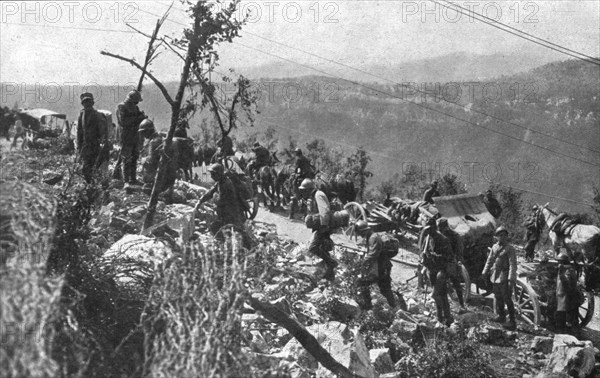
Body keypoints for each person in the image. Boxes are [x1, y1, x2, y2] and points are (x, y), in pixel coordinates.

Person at [354, 220, 399, 310]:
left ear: (363, 231)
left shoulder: (373, 238)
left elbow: (373, 255)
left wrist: (362, 263)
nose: (360, 235)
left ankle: (369, 306)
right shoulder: (372, 236)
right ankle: (393, 307)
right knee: (384, 288)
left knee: (363, 283)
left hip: (381, 267)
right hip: (381, 266)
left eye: (360, 233)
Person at [299, 178, 338, 281]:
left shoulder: (318, 195)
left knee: (312, 247)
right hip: (321, 226)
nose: (303, 192)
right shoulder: (313, 196)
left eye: (304, 190)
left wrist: (324, 226)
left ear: (309, 189)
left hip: (324, 227)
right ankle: (330, 274)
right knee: (323, 247)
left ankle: (332, 263)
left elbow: (324, 210)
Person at [481, 226, 517, 331]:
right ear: (497, 237)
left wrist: (511, 279)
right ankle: (501, 316)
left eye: (504, 235)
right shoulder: (494, 247)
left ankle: (512, 321)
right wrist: (485, 271)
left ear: (507, 236)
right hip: (495, 275)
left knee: (507, 298)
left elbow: (512, 264)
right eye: (500, 235)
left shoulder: (510, 248)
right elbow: (489, 260)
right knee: (498, 296)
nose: (502, 237)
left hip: (504, 275)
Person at [421, 219, 455, 327]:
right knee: (441, 295)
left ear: (434, 228)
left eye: (430, 229)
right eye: (427, 230)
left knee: (437, 294)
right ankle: (443, 317)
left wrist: (434, 256)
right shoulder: (428, 238)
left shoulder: (443, 240)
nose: (428, 232)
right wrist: (424, 260)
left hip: (442, 270)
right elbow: (423, 252)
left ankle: (445, 317)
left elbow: (448, 257)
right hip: (432, 270)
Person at [198, 163, 245, 236]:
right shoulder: (220, 182)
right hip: (225, 213)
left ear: (218, 174)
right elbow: (211, 192)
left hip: (230, 214)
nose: (211, 176)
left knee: (230, 234)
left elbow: (220, 201)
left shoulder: (226, 184)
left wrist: (214, 199)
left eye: (213, 174)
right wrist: (200, 200)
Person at [138, 119, 177, 195]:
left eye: (144, 132)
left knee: (145, 190)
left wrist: (142, 160)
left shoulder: (154, 142)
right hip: (167, 176)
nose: (144, 135)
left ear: (148, 131)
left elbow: (151, 160)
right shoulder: (159, 138)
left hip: (160, 178)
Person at [116, 90, 146, 185]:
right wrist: (138, 119)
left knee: (134, 157)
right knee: (126, 158)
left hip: (134, 136)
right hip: (126, 136)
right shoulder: (122, 107)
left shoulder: (135, 107)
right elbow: (123, 122)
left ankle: (133, 178)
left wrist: (142, 117)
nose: (137, 103)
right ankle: (126, 180)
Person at [437, 218, 467, 311]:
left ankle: (461, 304)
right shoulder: (441, 235)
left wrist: (458, 260)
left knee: (456, 283)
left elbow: (459, 249)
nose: (441, 230)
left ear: (446, 227)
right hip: (443, 261)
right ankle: (443, 305)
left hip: (451, 262)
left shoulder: (454, 236)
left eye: (441, 228)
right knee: (443, 283)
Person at [76, 93, 106, 183]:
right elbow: (79, 131)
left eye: (89, 102)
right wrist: (79, 146)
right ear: (83, 104)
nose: (87, 104)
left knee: (94, 166)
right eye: (85, 102)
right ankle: (89, 184)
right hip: (85, 146)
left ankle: (93, 185)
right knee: (85, 168)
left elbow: (102, 132)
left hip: (95, 145)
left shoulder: (97, 115)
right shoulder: (81, 115)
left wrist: (102, 143)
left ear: (92, 103)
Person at [555, 253, 581, 331]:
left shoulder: (568, 271)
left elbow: (566, 284)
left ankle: (564, 333)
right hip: (567, 297)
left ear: (562, 262)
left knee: (563, 318)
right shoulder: (568, 269)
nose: (558, 263)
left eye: (559, 262)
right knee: (571, 316)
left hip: (565, 298)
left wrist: (561, 273)